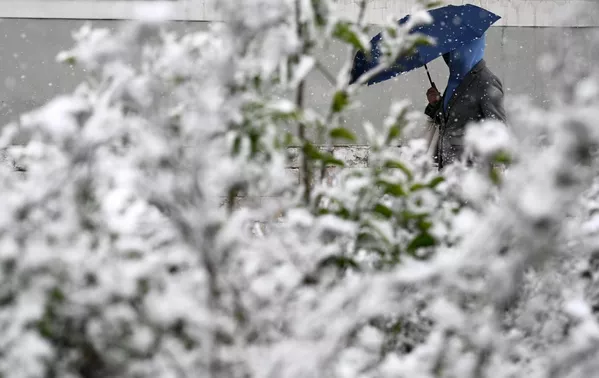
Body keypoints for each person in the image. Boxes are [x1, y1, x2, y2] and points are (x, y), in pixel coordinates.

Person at [425, 35, 507, 170]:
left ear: (471, 47)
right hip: (448, 170)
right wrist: (435, 103)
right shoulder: (455, 80)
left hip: (472, 173)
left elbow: (498, 131)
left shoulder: (486, 82)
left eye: (456, 48)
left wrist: (497, 173)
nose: (452, 55)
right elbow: (448, 121)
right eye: (450, 49)